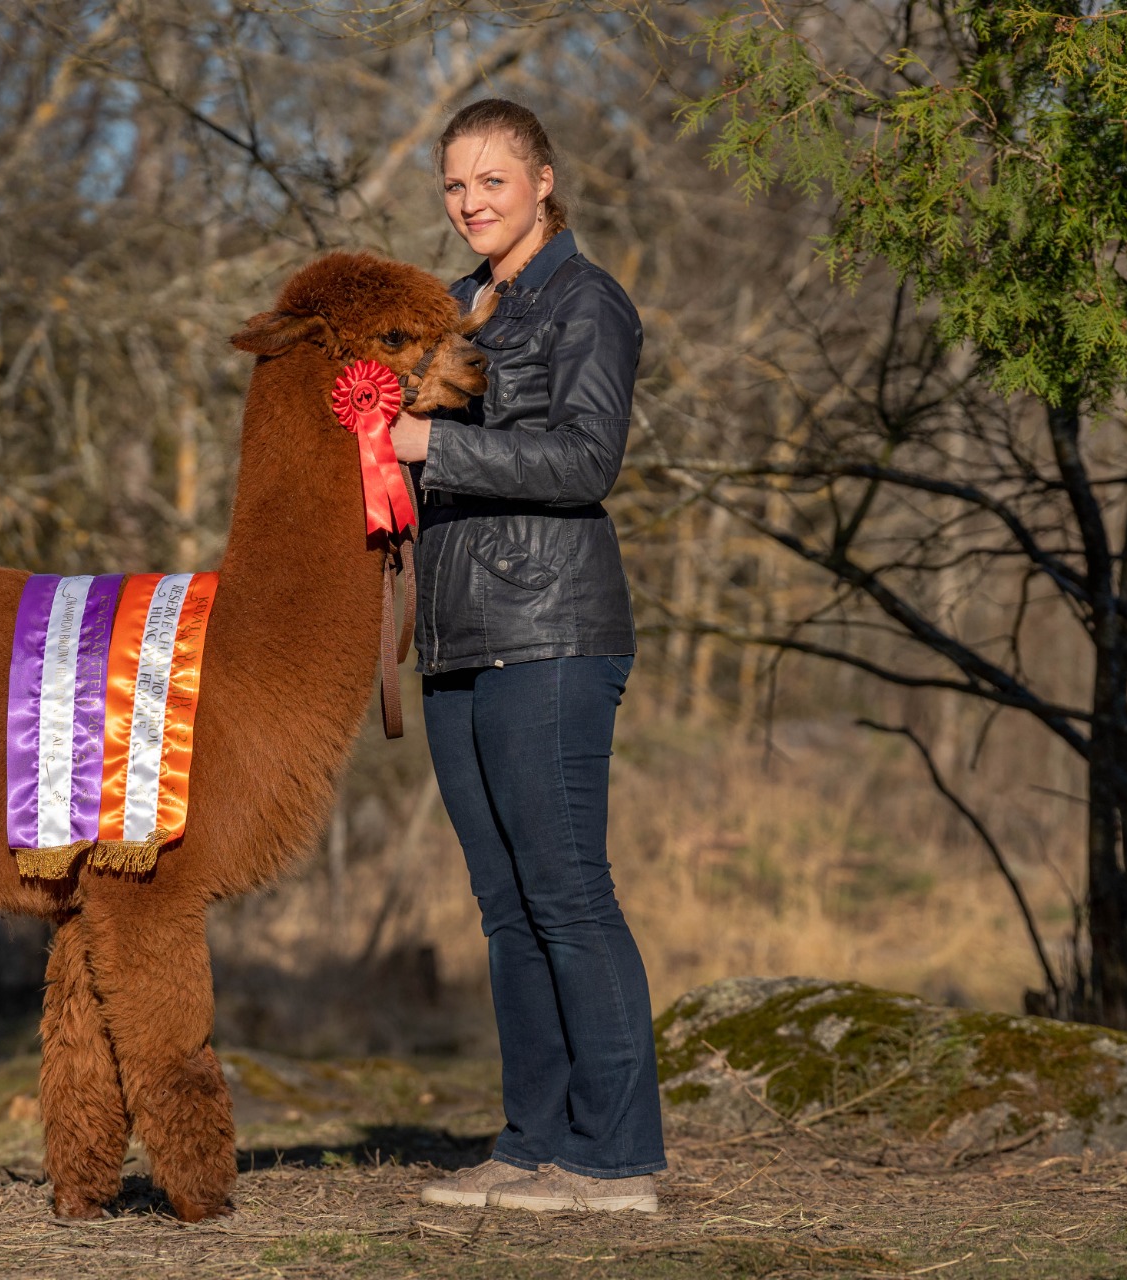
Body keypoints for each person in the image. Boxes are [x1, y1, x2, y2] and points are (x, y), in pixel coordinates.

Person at [387, 98, 664, 1214]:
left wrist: (431, 441)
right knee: (504, 904)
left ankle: (618, 1159)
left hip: (552, 629)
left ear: (543, 180)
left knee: (568, 893)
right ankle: (533, 1142)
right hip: (457, 639)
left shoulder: (588, 302)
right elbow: (424, 466)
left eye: (492, 181)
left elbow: (585, 457)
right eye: (455, 186)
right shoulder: (454, 307)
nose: (470, 204)